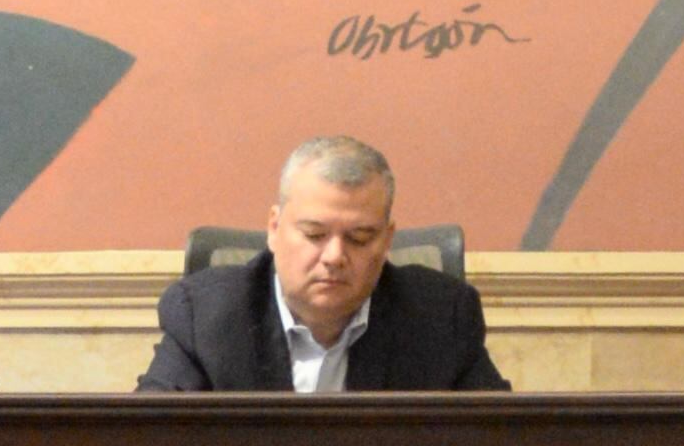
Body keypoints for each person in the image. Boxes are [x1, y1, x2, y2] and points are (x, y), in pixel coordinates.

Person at [138, 136, 507, 393]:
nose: (334, 257)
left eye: (360, 238)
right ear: (274, 228)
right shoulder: (205, 316)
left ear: (387, 239)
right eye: (314, 234)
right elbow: (145, 443)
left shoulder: (443, 318)